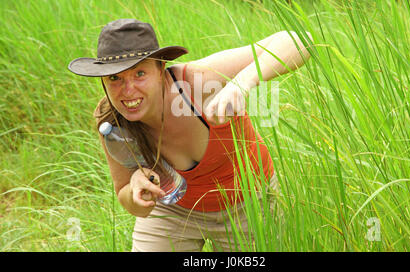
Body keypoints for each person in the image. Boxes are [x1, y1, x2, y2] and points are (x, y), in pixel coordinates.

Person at [68, 18, 313, 251]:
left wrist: (240, 84)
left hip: (248, 204)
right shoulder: (111, 122)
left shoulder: (196, 83)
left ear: (160, 67)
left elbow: (300, 40)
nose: (128, 90)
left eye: (139, 74)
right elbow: (128, 198)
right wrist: (134, 190)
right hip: (173, 210)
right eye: (114, 78)